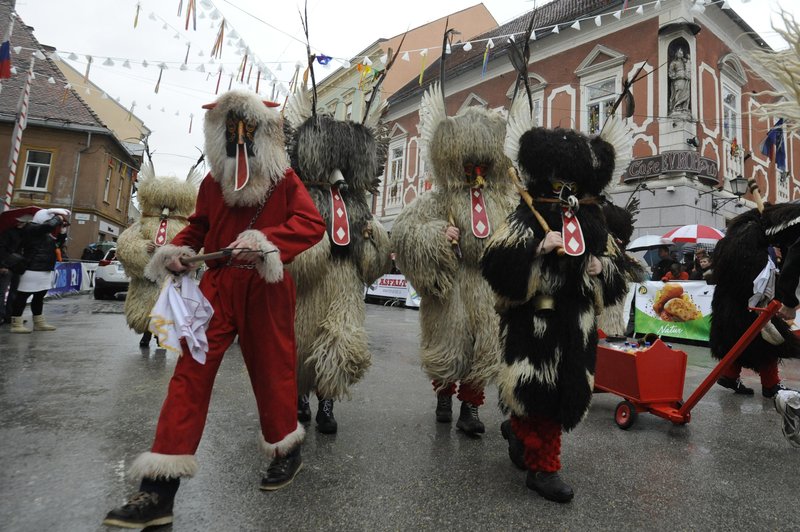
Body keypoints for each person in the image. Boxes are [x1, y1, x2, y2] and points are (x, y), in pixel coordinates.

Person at [102, 90, 325, 529]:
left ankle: (286, 449)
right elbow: (200, 227)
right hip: (218, 288)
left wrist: (264, 242)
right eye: (229, 130)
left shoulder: (284, 182)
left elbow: (311, 225)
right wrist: (179, 251)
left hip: (265, 288)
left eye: (245, 130)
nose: (237, 139)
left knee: (273, 373)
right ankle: (159, 491)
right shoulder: (211, 184)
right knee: (189, 375)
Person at [481, 98, 629, 503]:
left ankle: (520, 431)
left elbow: (619, 279)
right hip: (534, 322)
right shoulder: (526, 213)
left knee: (563, 395)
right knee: (535, 391)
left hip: (576, 326)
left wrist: (603, 271)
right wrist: (535, 248)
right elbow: (494, 262)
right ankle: (543, 468)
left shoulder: (594, 222)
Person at [390, 83, 516, 436]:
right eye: (469, 162)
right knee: (448, 348)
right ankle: (444, 396)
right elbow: (403, 230)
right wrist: (434, 236)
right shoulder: (438, 197)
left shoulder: (503, 198)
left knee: (484, 350)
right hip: (451, 288)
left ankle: (470, 409)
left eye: (481, 162)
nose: (475, 170)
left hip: (487, 288)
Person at [283, 84, 392, 434]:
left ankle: (326, 405)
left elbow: (371, 268)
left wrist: (373, 241)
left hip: (344, 282)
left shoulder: (357, 201)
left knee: (340, 342)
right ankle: (300, 397)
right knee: (303, 343)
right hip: (310, 284)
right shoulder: (299, 195)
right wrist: (312, 251)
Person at [710, 204, 800, 398]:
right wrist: (789, 301)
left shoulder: (740, 233)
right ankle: (771, 384)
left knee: (737, 335)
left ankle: (729, 375)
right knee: (767, 336)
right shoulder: (751, 239)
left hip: (731, 302)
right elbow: (795, 257)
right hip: (749, 300)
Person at [116, 159, 199, 349]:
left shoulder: (184, 226)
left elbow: (196, 248)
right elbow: (125, 246)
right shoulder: (143, 223)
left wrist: (180, 257)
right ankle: (147, 335)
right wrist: (143, 249)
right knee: (146, 309)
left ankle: (161, 338)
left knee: (168, 309)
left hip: (171, 280)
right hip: (146, 280)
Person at [7, 208, 70, 333]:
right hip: (31, 268)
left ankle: (39, 322)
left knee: (39, 296)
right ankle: (16, 323)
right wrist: (58, 218)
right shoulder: (31, 229)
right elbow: (46, 227)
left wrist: (62, 232)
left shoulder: (46, 234)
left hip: (44, 269)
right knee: (23, 296)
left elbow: (58, 244)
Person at [668, 47, 691, 116]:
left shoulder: (685, 61)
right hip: (678, 80)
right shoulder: (673, 63)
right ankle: (676, 106)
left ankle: (684, 107)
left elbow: (689, 67)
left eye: (682, 53)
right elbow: (670, 73)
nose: (681, 54)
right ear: (676, 54)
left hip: (685, 79)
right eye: (679, 52)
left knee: (686, 92)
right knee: (678, 92)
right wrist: (677, 76)